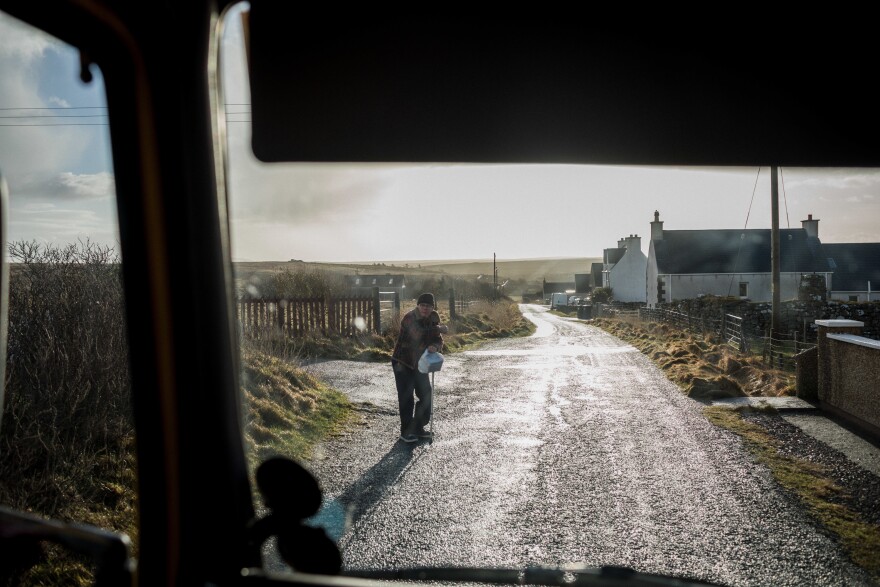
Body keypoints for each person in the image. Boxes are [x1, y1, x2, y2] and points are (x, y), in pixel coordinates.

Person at [391, 292, 446, 443]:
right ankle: (406, 432)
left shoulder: (433, 319)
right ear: (418, 305)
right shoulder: (409, 317)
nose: (425, 308)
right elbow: (418, 334)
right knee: (406, 397)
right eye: (422, 305)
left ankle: (418, 427)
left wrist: (435, 346)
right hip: (402, 362)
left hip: (420, 364)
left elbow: (439, 341)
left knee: (426, 394)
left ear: (432, 307)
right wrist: (439, 329)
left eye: (428, 306)